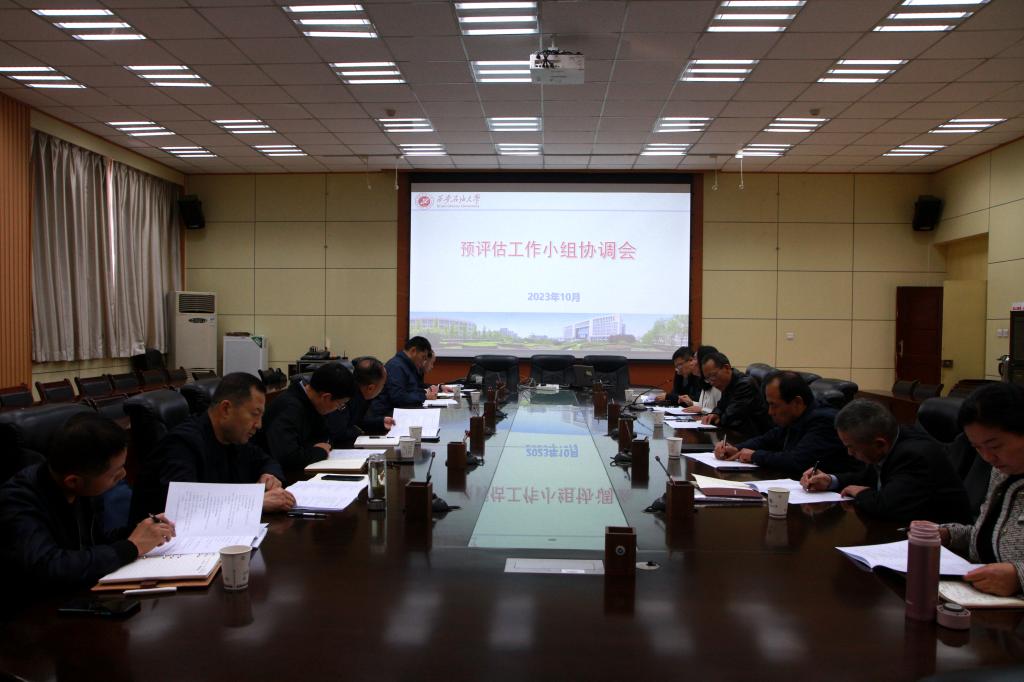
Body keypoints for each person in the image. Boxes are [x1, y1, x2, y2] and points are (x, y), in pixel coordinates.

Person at [0, 413, 175, 597]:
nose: (123, 475)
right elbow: (50, 566)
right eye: (114, 474)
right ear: (73, 481)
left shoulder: (85, 487)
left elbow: (95, 543)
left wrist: (140, 532)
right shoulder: (16, 502)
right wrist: (131, 547)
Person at [130, 372, 295, 523]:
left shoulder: (234, 437)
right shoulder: (181, 444)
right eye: (254, 414)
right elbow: (186, 507)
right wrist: (255, 503)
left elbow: (267, 460)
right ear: (226, 409)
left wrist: (270, 475)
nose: (258, 425)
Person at [801, 399, 971, 524]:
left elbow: (888, 507)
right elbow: (866, 478)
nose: (849, 453)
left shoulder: (913, 456)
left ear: (879, 444)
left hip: (944, 546)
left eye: (852, 447)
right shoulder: (893, 440)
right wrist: (830, 480)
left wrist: (860, 493)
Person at [938, 383, 1024, 596]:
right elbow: (992, 535)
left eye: (995, 446)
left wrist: (1019, 578)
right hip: (983, 599)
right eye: (977, 448)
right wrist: (949, 534)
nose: (987, 457)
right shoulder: (1002, 472)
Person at [715, 371, 860, 479]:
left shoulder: (824, 420)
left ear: (797, 402)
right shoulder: (796, 416)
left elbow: (797, 461)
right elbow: (768, 438)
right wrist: (737, 448)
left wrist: (755, 455)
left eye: (774, 405)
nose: (770, 412)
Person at [262, 362, 356, 476]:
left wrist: (314, 449)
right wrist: (319, 452)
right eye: (340, 404)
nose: (338, 409)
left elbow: (326, 438)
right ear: (326, 397)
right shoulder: (289, 407)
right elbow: (288, 458)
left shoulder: (313, 404)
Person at [699, 352, 771, 439]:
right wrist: (715, 413)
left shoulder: (745, 385)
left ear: (726, 368)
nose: (711, 382)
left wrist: (718, 418)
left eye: (713, 375)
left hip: (753, 438)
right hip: (737, 434)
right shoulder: (728, 382)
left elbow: (730, 418)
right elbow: (721, 406)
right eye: (707, 378)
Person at [327, 356, 396, 447]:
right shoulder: (345, 396)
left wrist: (380, 422)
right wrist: (359, 432)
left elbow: (358, 421)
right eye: (382, 385)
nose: (382, 389)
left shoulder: (360, 394)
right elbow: (338, 432)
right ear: (370, 388)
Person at [368, 336, 438, 422]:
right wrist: (424, 396)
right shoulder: (396, 367)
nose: (423, 361)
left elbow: (413, 389)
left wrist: (426, 393)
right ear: (413, 351)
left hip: (399, 411)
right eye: (423, 357)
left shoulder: (407, 366)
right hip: (387, 415)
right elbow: (398, 397)